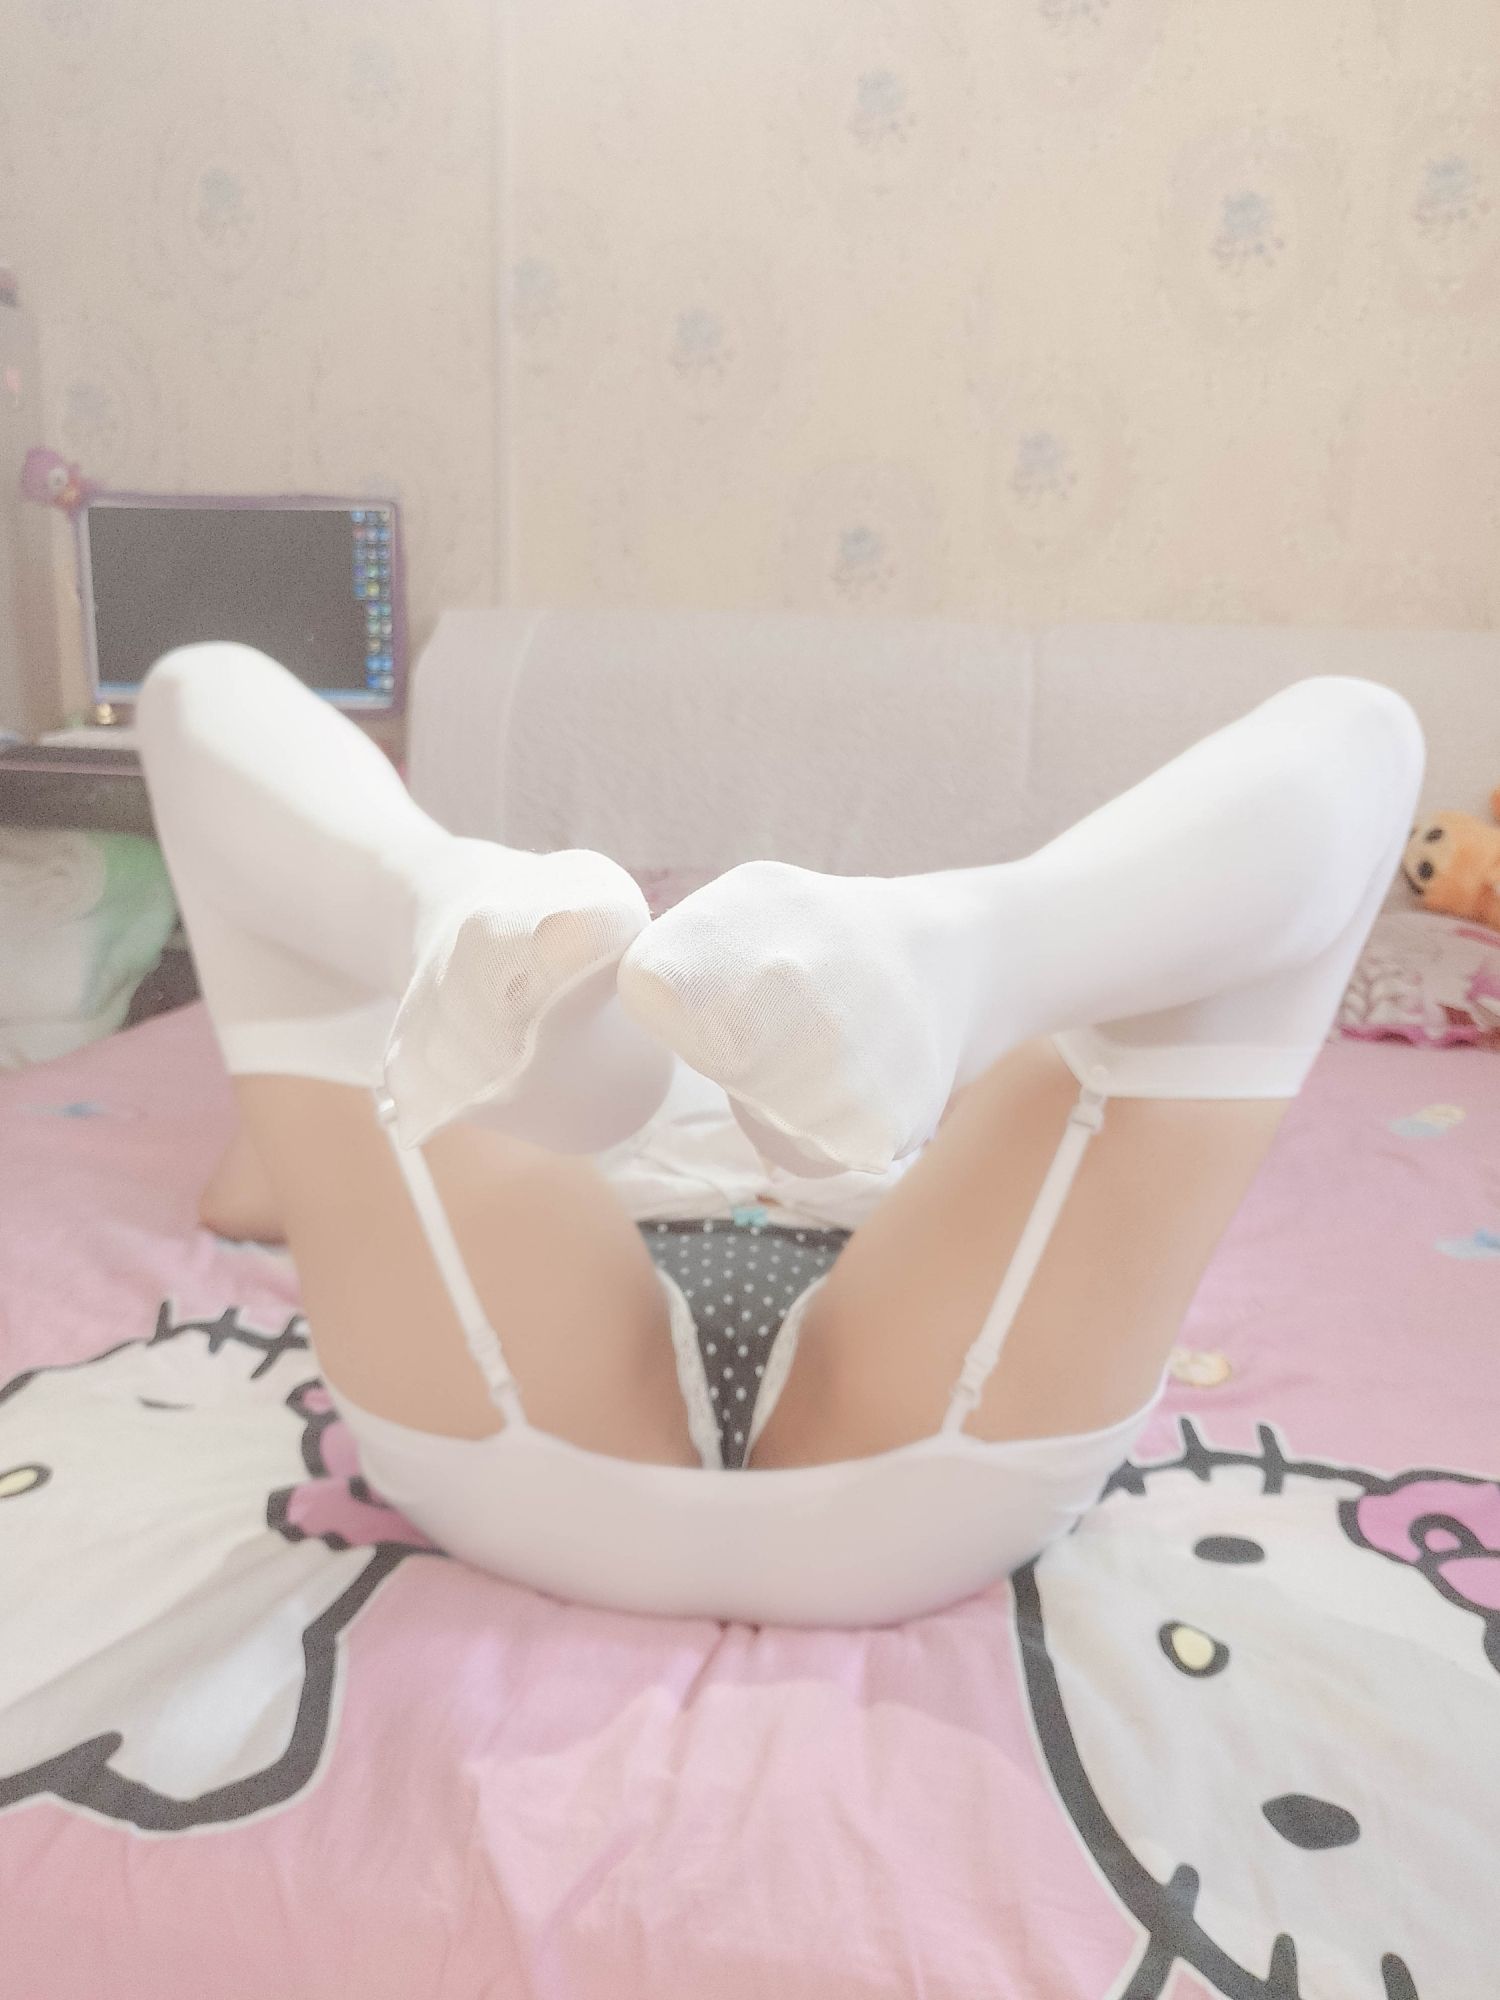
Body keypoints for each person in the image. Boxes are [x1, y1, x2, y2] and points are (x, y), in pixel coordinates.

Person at [135, 645, 1422, 1626]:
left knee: (1367, 731)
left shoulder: (890, 1071)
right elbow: (251, 1189)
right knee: (1364, 735)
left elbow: (278, 1181)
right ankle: (459, 925)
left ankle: (966, 946)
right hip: (923, 1477)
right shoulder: (571, 1017)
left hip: (534, 1446)